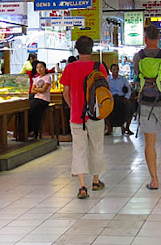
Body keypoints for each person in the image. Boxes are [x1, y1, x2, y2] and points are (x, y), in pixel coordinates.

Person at [60, 36, 107, 199]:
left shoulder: (70, 68)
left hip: (77, 116)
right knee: (97, 147)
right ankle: (95, 180)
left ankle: (82, 186)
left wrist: (74, 107)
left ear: (77, 49)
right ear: (91, 49)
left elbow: (65, 92)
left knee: (79, 149)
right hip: (96, 114)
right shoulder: (99, 66)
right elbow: (104, 92)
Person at [134, 25, 161, 190]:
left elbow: (137, 77)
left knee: (149, 141)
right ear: (158, 38)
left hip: (145, 102)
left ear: (145, 38)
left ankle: (154, 180)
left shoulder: (138, 56)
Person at [107, 64, 132, 135]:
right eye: (114, 69)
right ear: (111, 71)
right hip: (111, 99)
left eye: (117, 69)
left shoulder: (123, 78)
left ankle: (127, 128)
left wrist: (127, 97)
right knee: (105, 111)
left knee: (130, 109)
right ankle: (109, 128)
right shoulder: (107, 79)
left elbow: (128, 89)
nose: (116, 71)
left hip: (121, 98)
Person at [28, 61, 51, 139]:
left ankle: (33, 130)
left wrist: (37, 89)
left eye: (41, 67)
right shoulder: (36, 78)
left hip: (44, 100)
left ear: (45, 68)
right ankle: (31, 130)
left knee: (34, 109)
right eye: (37, 67)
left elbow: (44, 90)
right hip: (36, 98)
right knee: (30, 109)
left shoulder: (47, 77)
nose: (39, 69)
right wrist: (39, 89)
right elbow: (32, 90)